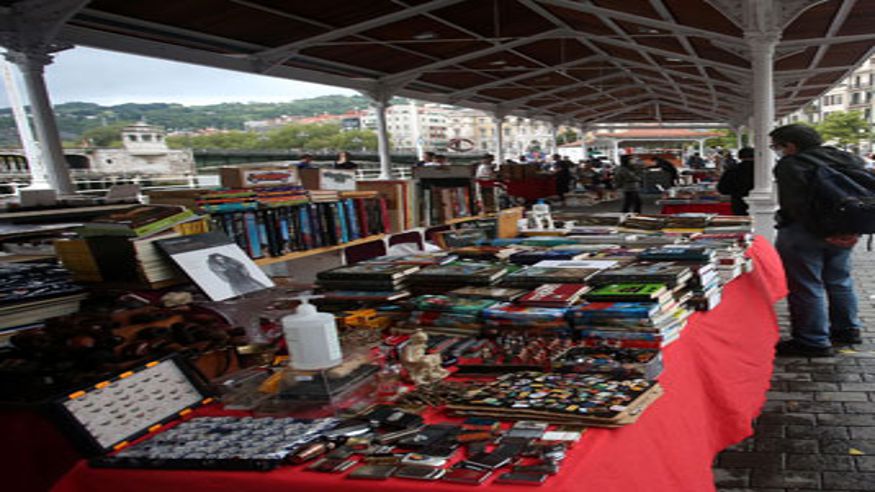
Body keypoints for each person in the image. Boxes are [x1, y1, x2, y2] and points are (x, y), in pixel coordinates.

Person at [770, 124, 865, 357]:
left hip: (804, 232)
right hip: (845, 230)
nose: (777, 151)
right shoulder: (848, 159)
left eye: (777, 146)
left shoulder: (791, 165)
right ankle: (847, 330)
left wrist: (822, 232)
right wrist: (849, 230)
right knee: (840, 280)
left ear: (790, 145)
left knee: (805, 285)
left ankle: (812, 340)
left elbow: (796, 205)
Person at [716, 147, 754, 215]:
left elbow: (722, 189)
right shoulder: (763, 170)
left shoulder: (732, 170)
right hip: (758, 203)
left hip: (738, 203)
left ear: (739, 156)